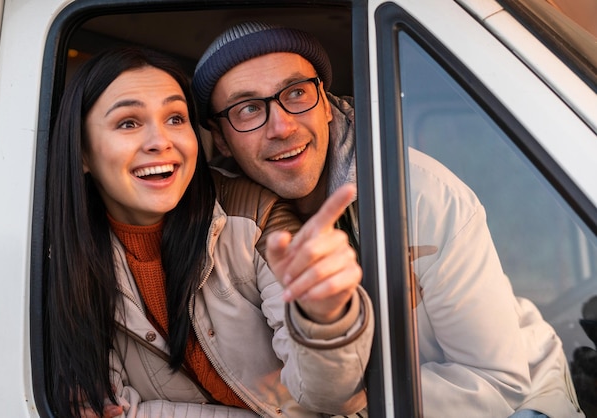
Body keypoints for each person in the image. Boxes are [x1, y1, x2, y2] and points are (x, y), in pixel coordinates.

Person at [192, 21, 584, 417]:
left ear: (325, 103)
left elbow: (496, 383)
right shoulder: (222, 226)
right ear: (221, 138)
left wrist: (352, 403)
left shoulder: (419, 193)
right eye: (248, 109)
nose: (282, 126)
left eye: (296, 94)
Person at [44, 46, 373, 418]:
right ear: (83, 152)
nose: (160, 141)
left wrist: (325, 321)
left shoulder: (253, 215)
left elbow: (330, 400)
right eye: (129, 123)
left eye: (175, 118)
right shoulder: (55, 256)